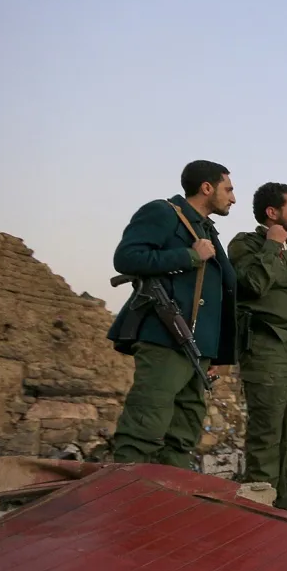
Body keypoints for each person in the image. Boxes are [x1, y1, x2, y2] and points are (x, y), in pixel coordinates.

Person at [108, 160, 237, 467]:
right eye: (228, 189)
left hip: (198, 348)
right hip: (166, 337)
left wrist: (215, 354)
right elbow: (127, 257)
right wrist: (190, 255)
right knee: (146, 421)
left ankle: (167, 500)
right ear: (207, 188)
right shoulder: (164, 212)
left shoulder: (206, 229)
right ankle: (124, 495)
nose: (233, 198)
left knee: (184, 431)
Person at [228, 182, 287, 514]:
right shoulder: (246, 244)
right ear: (273, 212)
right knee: (267, 433)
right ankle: (261, 504)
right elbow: (251, 284)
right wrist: (271, 247)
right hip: (269, 351)